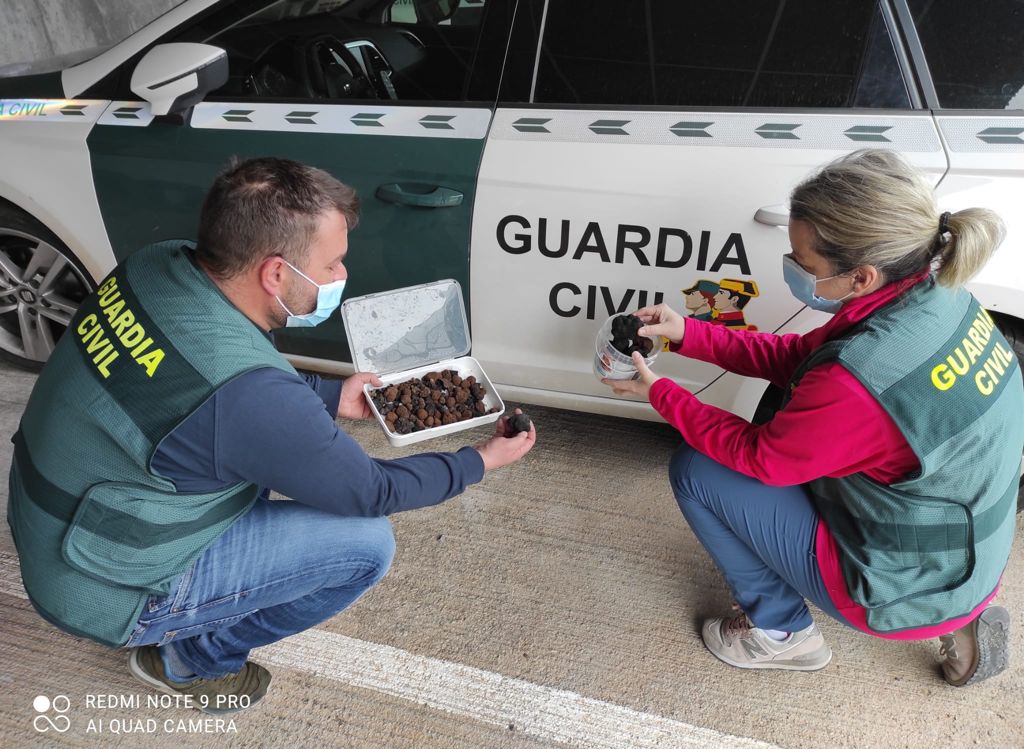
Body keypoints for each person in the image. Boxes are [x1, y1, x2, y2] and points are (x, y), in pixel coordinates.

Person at [6, 157, 535, 714]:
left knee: (253, 462)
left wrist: (329, 397)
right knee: (365, 546)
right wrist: (479, 460)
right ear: (275, 274)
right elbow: (371, 490)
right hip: (96, 582)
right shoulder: (250, 399)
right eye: (332, 264)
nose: (340, 278)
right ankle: (190, 662)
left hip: (51, 507)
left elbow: (209, 387)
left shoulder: (156, 265)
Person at [604, 149, 1021, 685]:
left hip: (895, 584)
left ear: (861, 276)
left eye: (805, 263)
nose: (794, 269)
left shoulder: (860, 376)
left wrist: (660, 393)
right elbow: (798, 359)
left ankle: (782, 633)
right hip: (972, 548)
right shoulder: (936, 297)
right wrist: (689, 334)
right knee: (829, 456)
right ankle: (964, 617)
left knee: (698, 470)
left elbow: (762, 460)